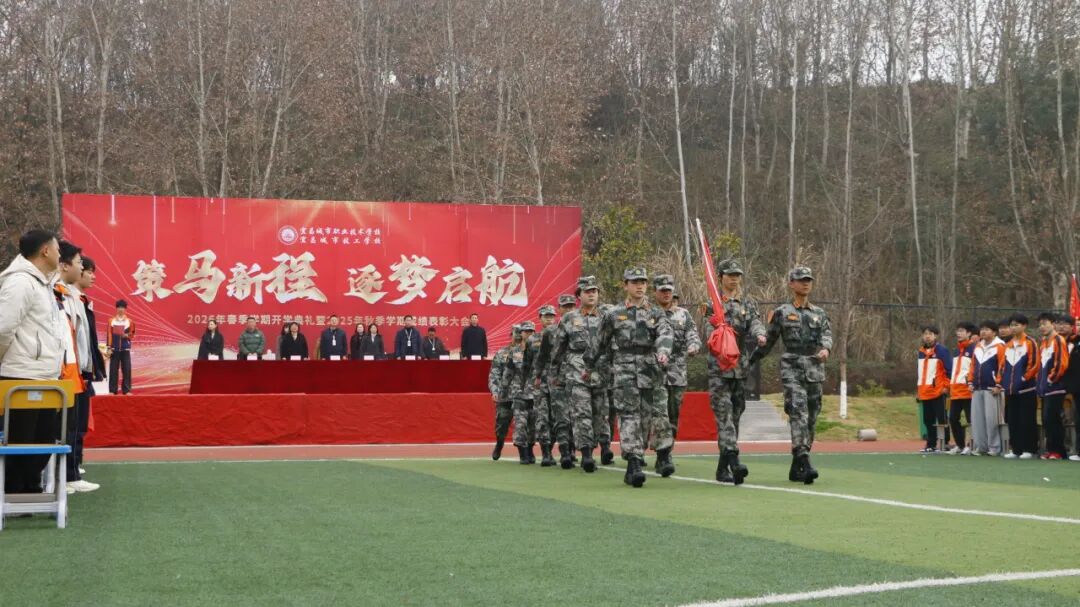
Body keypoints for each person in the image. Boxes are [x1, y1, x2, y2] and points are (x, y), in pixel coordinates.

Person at [589, 268, 674, 487]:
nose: (639, 286)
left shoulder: (656, 313)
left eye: (643, 282)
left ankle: (652, 454)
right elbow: (599, 342)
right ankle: (634, 463)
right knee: (628, 416)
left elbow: (665, 334)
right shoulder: (614, 314)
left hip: (650, 370)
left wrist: (663, 351)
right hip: (624, 370)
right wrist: (588, 365)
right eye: (635, 282)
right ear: (625, 285)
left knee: (651, 417)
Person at [750, 266, 832, 484]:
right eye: (801, 280)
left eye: (808, 280)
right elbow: (768, 341)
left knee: (811, 418)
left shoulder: (819, 313)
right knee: (798, 412)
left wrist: (826, 349)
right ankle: (804, 459)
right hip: (792, 367)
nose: (805, 283)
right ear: (791, 284)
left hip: (814, 369)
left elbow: (827, 335)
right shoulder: (782, 312)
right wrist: (749, 361)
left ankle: (797, 466)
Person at [0, 229, 67, 494]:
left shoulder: (44, 284)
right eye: (57, 249)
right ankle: (14, 492)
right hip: (22, 374)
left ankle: (30, 489)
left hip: (45, 375)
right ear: (45, 251)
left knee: (43, 440)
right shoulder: (20, 282)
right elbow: (4, 327)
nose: (60, 254)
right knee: (21, 441)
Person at [707, 259, 766, 485]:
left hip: (740, 368)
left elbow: (755, 322)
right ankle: (734, 461)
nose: (734, 279)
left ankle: (723, 468)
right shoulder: (712, 303)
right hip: (719, 368)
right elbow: (708, 331)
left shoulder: (747, 304)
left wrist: (760, 334)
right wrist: (719, 327)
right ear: (720, 277)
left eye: (737, 275)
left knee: (735, 415)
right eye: (730, 275)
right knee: (724, 415)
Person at [552, 277, 612, 473]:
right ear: (579, 296)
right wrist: (556, 373)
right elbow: (558, 349)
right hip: (576, 371)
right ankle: (586, 454)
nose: (592, 294)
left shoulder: (607, 317)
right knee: (581, 413)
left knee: (599, 414)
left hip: (601, 372)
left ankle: (595, 446)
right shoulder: (569, 318)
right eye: (587, 291)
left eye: (594, 291)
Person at [54, 241, 97, 493]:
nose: (83, 270)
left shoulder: (70, 297)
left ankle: (69, 473)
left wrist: (87, 367)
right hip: (58, 373)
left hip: (74, 371)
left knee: (72, 427)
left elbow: (78, 339)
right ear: (63, 264)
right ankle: (62, 476)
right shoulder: (53, 292)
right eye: (81, 264)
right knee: (61, 429)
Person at [652, 274, 701, 473]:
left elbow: (692, 334)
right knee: (660, 413)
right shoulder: (649, 314)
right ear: (655, 292)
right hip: (655, 372)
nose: (666, 294)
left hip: (677, 372)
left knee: (673, 414)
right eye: (662, 290)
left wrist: (693, 345)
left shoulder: (683, 315)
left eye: (669, 291)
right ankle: (663, 454)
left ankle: (667, 451)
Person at [73, 256, 106, 486]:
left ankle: (73, 467)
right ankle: (69, 473)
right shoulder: (68, 299)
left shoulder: (81, 300)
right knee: (72, 424)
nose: (93, 276)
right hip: (72, 370)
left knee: (79, 421)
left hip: (82, 369)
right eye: (89, 271)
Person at [1001, 313, 1039, 459]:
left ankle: (1029, 449)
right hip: (1010, 389)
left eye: (1017, 325)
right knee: (1012, 419)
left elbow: (1034, 364)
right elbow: (1002, 366)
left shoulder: (1030, 342)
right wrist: (1003, 381)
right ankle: (1016, 449)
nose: (1013, 327)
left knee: (1027, 419)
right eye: (1011, 325)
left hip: (1026, 388)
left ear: (1024, 326)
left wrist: (1023, 378)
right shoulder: (1008, 344)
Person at [530, 304, 561, 467]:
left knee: (556, 417)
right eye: (546, 316)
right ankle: (545, 453)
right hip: (540, 382)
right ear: (539, 318)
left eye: (551, 316)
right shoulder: (532, 340)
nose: (549, 319)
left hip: (557, 381)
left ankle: (553, 448)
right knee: (542, 417)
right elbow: (527, 363)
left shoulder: (561, 335)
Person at [1036, 312, 1070, 460]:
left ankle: (1059, 451)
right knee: (1046, 419)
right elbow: (1040, 366)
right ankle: (1051, 450)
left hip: (1056, 387)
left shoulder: (1058, 340)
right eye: (1040, 324)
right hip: (1045, 388)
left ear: (1054, 324)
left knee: (1052, 418)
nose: (1042, 327)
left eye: (1045, 323)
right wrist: (1040, 384)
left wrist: (1051, 379)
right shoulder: (1043, 342)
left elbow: (1061, 363)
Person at [969, 320, 1006, 456]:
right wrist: (970, 382)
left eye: (987, 329)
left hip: (992, 389)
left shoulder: (1000, 346)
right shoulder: (978, 346)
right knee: (977, 420)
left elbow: (1003, 366)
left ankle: (994, 447)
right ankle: (981, 446)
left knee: (992, 420)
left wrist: (998, 384)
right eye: (982, 329)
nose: (983, 332)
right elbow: (972, 366)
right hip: (977, 388)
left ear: (994, 332)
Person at [915, 325, 952, 454]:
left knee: (942, 419)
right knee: (927, 420)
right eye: (925, 334)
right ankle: (931, 444)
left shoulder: (942, 351)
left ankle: (945, 443)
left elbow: (949, 370)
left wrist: (946, 386)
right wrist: (919, 390)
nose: (927, 336)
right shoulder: (921, 352)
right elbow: (921, 373)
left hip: (939, 391)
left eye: (930, 334)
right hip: (925, 392)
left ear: (935, 336)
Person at [506, 321, 537, 464]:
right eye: (526, 331)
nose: (529, 334)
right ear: (521, 333)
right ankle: (523, 453)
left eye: (531, 331)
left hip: (535, 394)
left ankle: (530, 450)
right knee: (520, 424)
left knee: (533, 425)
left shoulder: (539, 351)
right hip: (518, 393)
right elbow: (508, 373)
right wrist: (503, 391)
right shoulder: (514, 352)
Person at [488, 326, 520, 460]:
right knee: (501, 423)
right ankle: (499, 443)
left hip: (522, 394)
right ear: (510, 336)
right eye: (515, 335)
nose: (517, 337)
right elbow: (494, 374)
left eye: (520, 334)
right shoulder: (502, 353)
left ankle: (525, 452)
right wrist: (494, 391)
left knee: (523, 423)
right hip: (505, 394)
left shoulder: (529, 352)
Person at [947, 322, 977, 454]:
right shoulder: (956, 350)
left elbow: (974, 369)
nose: (958, 333)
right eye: (957, 331)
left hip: (968, 390)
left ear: (969, 333)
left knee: (971, 420)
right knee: (953, 418)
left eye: (961, 331)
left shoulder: (974, 349)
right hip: (955, 390)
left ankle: (972, 446)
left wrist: (971, 383)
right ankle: (960, 445)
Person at [1060, 314, 1080, 461]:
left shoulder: (1075, 342)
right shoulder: (1058, 342)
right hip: (1061, 387)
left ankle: (1076, 450)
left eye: (1066, 324)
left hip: (1075, 387)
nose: (1062, 327)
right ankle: (1063, 450)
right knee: (1064, 420)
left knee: (1077, 419)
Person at [107, 299, 135, 394]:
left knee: (127, 369)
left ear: (125, 309)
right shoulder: (111, 321)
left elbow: (132, 334)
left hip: (125, 349)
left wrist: (126, 335)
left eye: (122, 307)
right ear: (116, 308)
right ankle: (112, 390)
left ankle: (126, 390)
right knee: (113, 370)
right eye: (119, 307)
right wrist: (109, 347)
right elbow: (109, 334)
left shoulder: (129, 321)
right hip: (114, 349)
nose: (120, 309)